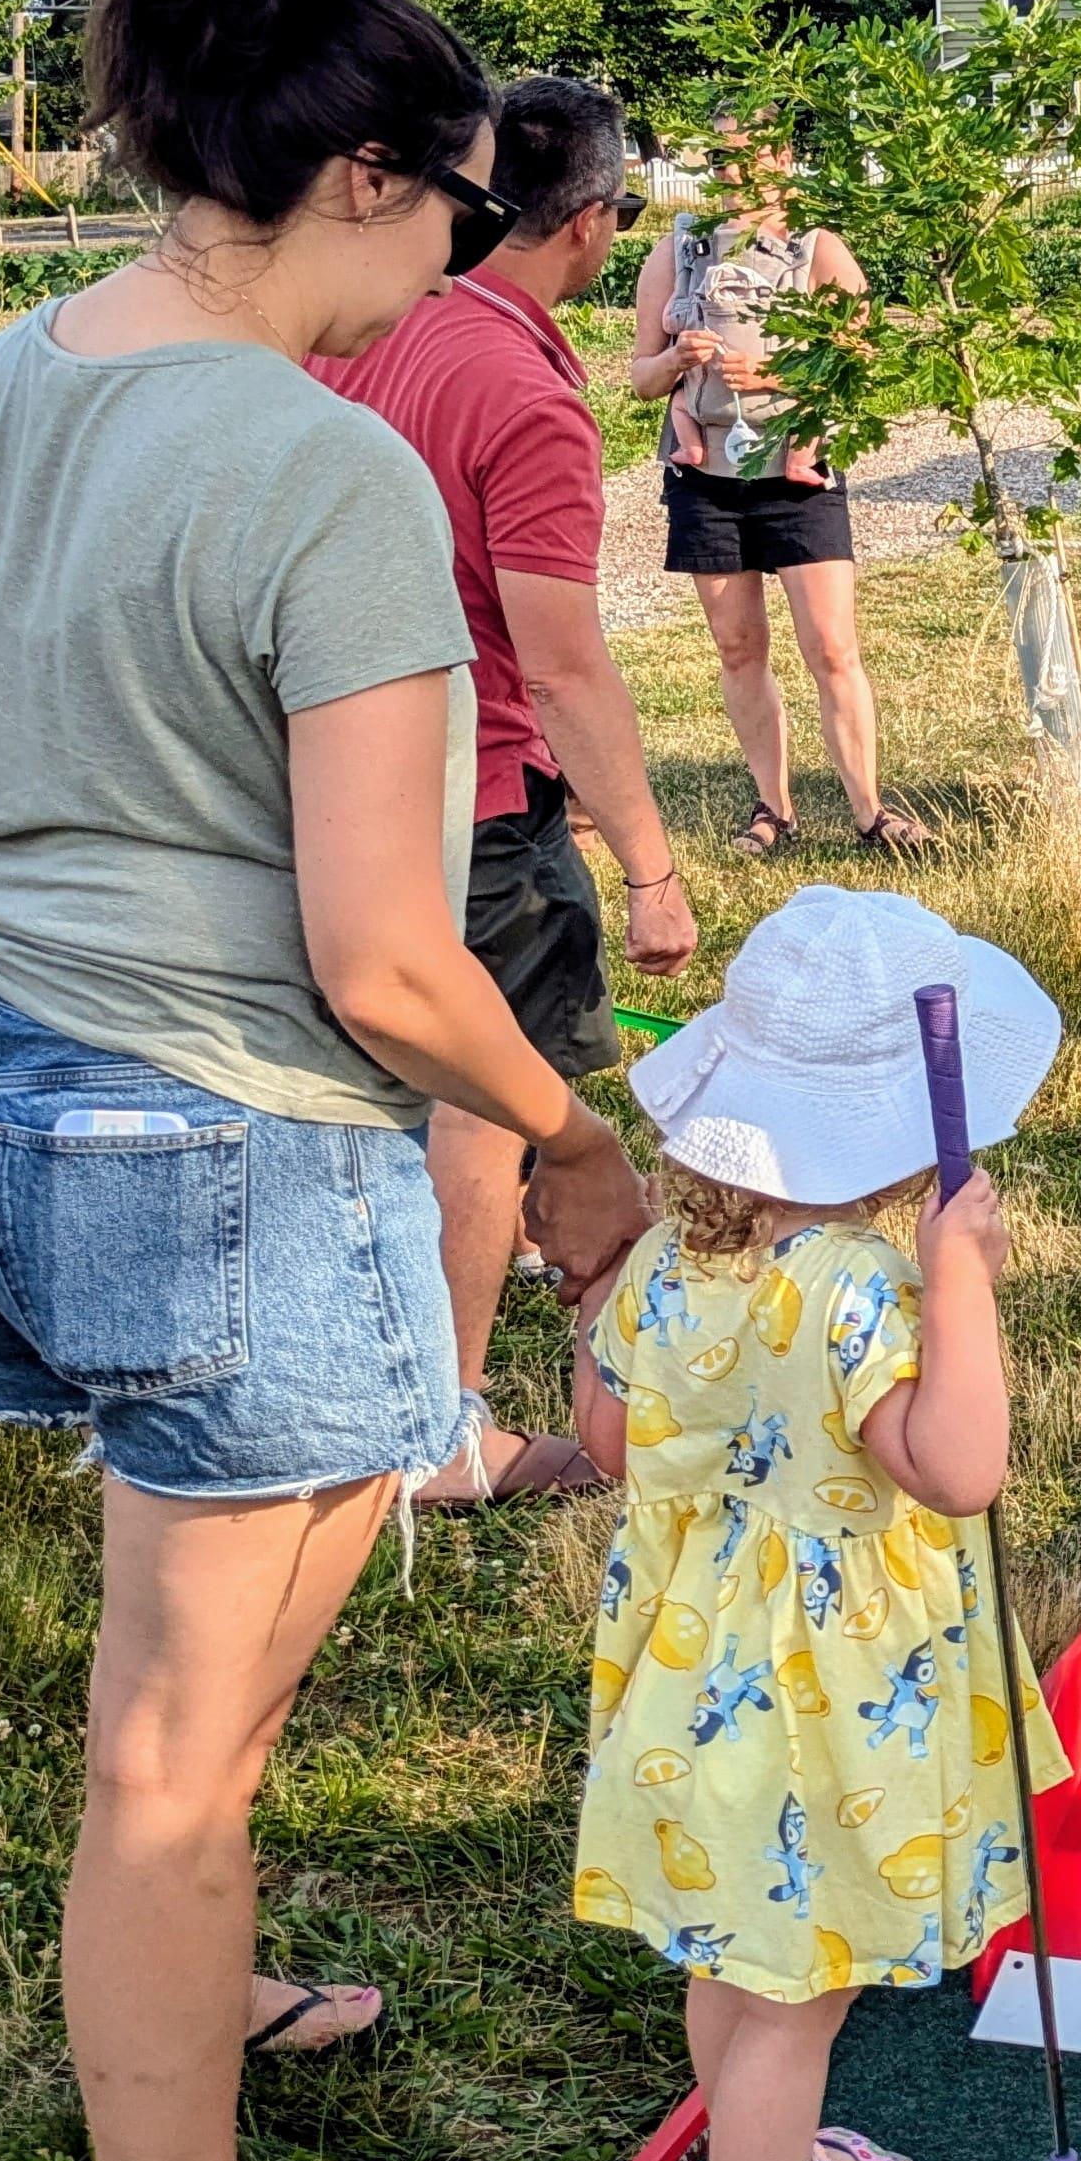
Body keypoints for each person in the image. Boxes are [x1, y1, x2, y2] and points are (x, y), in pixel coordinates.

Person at [0, 0, 652, 2161]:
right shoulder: (326, 470)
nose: (451, 256)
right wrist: (569, 1145)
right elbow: (387, 954)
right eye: (444, 206)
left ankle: (195, 1977)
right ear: (348, 177)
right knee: (172, 1750)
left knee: (196, 1687)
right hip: (215, 1123)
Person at [570, 889, 1066, 2161]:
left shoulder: (658, 1264)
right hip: (822, 1705)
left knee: (739, 1954)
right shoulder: (856, 1285)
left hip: (688, 1676)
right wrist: (961, 1280)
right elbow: (958, 1464)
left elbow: (607, 1438)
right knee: (799, 1988)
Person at [326, 75, 699, 1507]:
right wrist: (651, 864)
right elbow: (562, 659)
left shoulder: (367, 328)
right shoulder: (524, 389)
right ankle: (440, 1428)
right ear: (595, 223)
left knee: (373, 1099)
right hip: (474, 795)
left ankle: (387, 1357)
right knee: (480, 1112)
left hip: (337, 781)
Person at [632, 135, 928, 857]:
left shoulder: (818, 250)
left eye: (751, 155)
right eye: (721, 157)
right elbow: (639, 375)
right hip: (709, 481)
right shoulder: (675, 253)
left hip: (799, 477)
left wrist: (772, 375)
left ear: (786, 156)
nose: (734, 172)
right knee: (739, 648)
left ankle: (870, 811)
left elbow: (861, 365)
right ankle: (773, 808)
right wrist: (674, 360)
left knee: (831, 646)